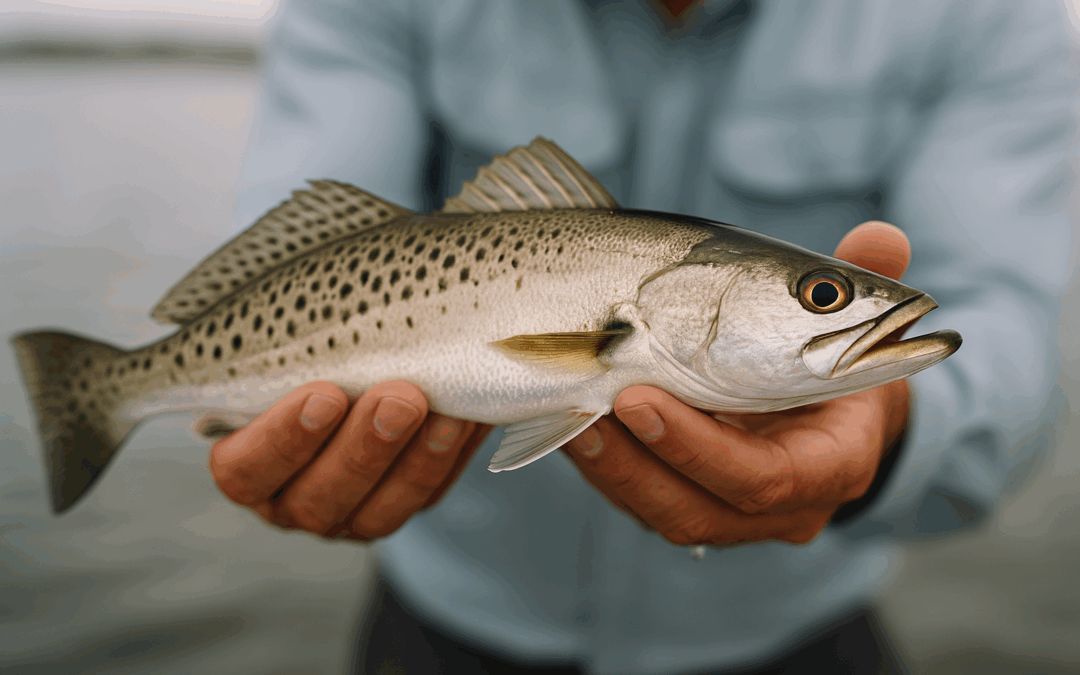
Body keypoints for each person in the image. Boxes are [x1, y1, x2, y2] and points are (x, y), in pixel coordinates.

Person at [214, 1, 1077, 673]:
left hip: (789, 633)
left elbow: (1003, 324)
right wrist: (251, 415)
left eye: (823, 293)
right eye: (823, 294)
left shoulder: (982, 11)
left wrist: (895, 427)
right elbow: (300, 245)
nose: (838, 305)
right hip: (447, 624)